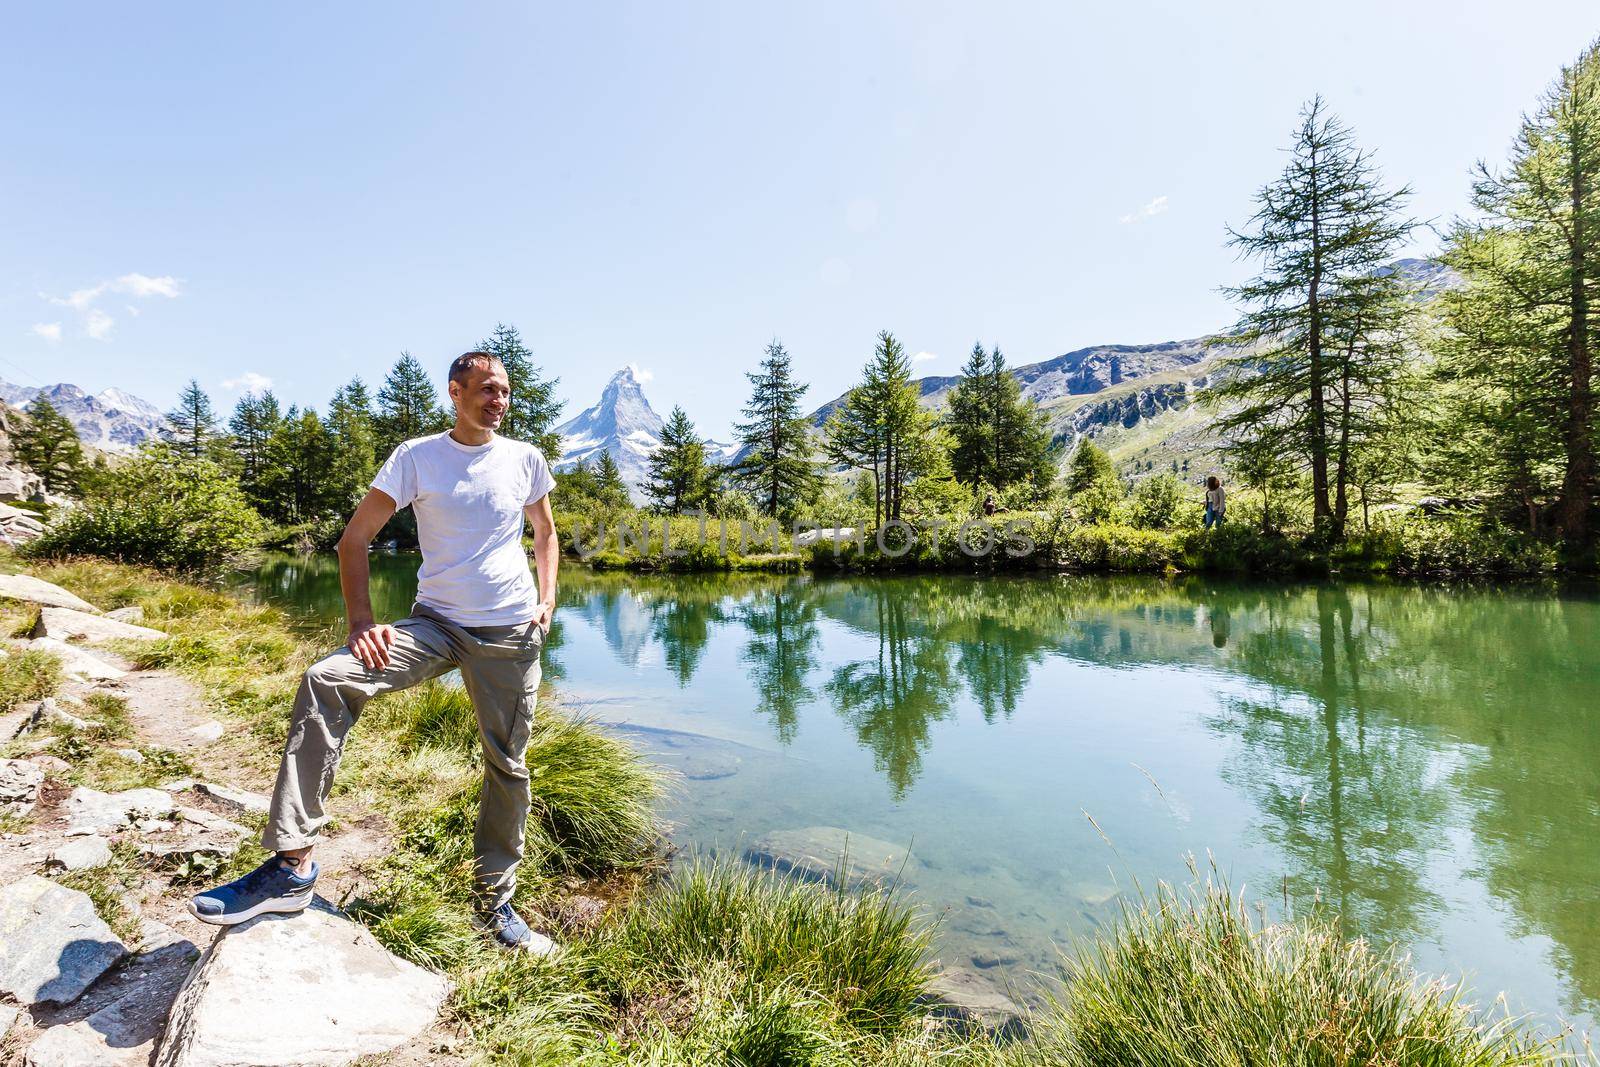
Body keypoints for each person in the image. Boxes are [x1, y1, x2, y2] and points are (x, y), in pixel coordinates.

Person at [188, 351, 560, 954]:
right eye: (487, 390)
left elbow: (545, 534)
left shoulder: (525, 459)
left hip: (509, 635)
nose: (499, 400)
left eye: (505, 392)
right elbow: (354, 540)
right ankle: (292, 865)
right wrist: (362, 620)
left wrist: (547, 602)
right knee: (327, 678)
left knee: (507, 764)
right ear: (455, 392)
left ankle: (495, 903)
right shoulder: (416, 457)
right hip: (434, 625)